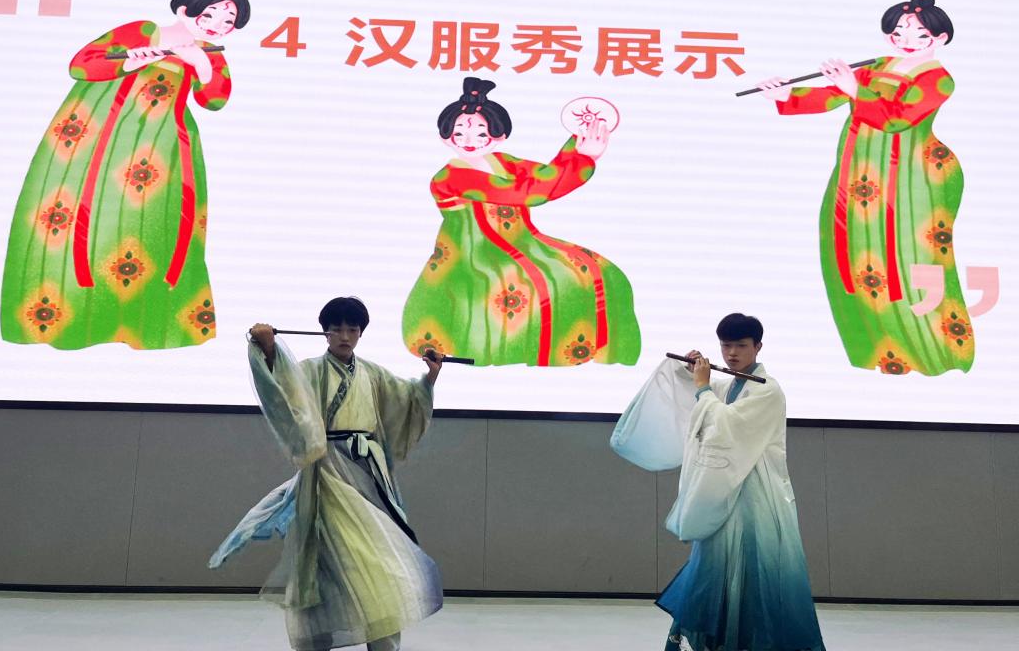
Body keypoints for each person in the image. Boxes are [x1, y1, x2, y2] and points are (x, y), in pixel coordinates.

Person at [0, 0, 248, 349]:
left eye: (228, 20)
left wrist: (200, 62)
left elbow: (215, 99)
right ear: (185, 9)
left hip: (164, 149)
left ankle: (143, 322)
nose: (218, 24)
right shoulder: (144, 31)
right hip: (101, 139)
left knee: (151, 225)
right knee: (84, 218)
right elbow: (82, 64)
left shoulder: (210, 51)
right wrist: (134, 58)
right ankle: (69, 315)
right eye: (212, 13)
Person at [757, 0, 972, 376]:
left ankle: (929, 352)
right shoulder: (876, 66)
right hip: (858, 173)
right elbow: (832, 96)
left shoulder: (938, 78)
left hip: (908, 181)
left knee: (904, 256)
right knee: (852, 252)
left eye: (919, 34)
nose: (906, 41)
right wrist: (785, 95)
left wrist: (854, 89)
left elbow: (897, 119)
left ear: (940, 38)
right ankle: (872, 348)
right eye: (898, 32)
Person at [210, 297, 444, 651]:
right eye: (337, 329)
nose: (345, 336)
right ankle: (316, 640)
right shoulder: (309, 370)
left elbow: (407, 399)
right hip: (327, 474)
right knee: (325, 563)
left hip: (370, 476)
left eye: (353, 329)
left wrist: (430, 377)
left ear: (361, 333)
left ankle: (384, 642)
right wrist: (269, 349)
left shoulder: (373, 374)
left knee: (382, 560)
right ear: (325, 332)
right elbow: (285, 390)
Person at [611, 313, 824, 651]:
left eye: (741, 345)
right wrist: (691, 372)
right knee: (713, 569)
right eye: (726, 346)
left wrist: (702, 387)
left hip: (756, 497)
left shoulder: (767, 390)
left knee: (757, 576)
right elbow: (704, 398)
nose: (732, 353)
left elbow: (723, 426)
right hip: (724, 492)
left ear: (758, 347)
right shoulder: (731, 385)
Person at [401, 76, 641, 367]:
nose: (469, 141)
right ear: (445, 136)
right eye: (459, 133)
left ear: (499, 137)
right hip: (473, 254)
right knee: (534, 283)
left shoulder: (502, 162)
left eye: (481, 133)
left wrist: (577, 145)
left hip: (522, 241)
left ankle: (604, 349)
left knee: (597, 268)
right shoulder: (450, 176)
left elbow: (545, 175)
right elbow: (529, 193)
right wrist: (583, 159)